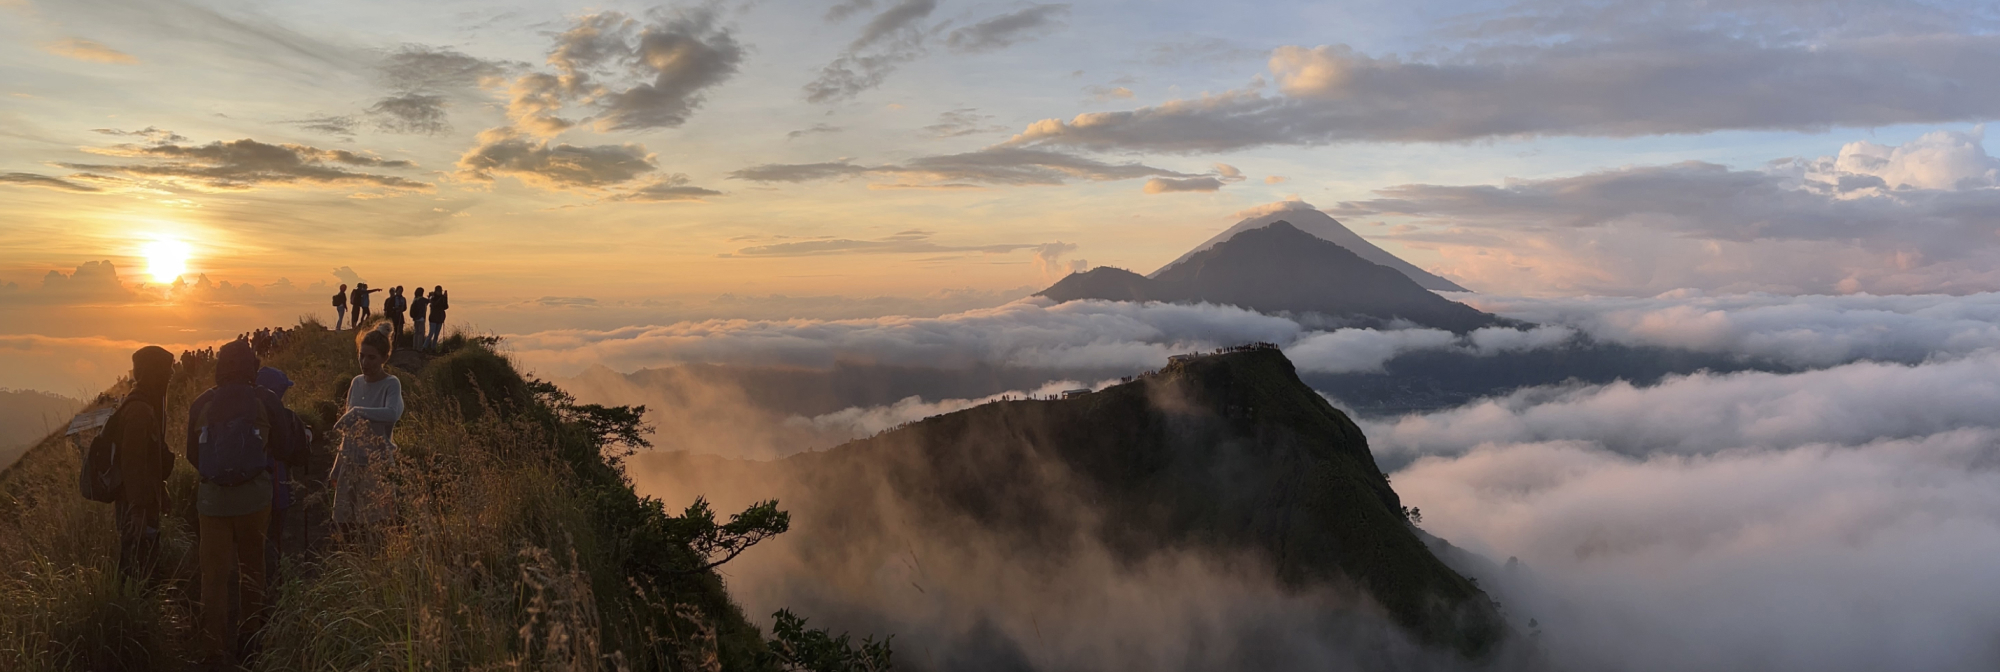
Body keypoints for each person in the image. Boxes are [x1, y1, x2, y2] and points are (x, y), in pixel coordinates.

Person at [185, 339, 305, 665]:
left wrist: (219, 478)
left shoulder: (201, 403)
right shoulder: (265, 399)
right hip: (255, 499)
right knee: (253, 568)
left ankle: (213, 650)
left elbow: (192, 455)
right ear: (252, 365)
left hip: (212, 504)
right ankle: (250, 641)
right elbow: (283, 447)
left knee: (214, 576)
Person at [330, 327, 403, 540]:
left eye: (372, 357)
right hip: (351, 461)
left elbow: (392, 414)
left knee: (378, 526)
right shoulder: (356, 382)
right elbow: (348, 430)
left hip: (376, 464)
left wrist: (359, 412)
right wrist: (337, 466)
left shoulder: (391, 384)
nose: (365, 362)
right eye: (362, 356)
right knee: (345, 524)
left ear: (384, 358)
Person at [112, 346, 177, 580]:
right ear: (153, 373)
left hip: (142, 500)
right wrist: (138, 511)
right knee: (136, 569)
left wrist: (161, 487)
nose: (170, 378)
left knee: (143, 563)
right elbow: (133, 463)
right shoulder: (139, 411)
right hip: (136, 505)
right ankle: (130, 612)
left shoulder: (145, 406)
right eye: (167, 373)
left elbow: (148, 458)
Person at [255, 366, 311, 586]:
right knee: (273, 538)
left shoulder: (247, 415)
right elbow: (300, 458)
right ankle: (273, 583)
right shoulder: (288, 418)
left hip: (250, 492)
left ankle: (253, 583)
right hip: (279, 492)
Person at [424, 285, 448, 351]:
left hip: (439, 318)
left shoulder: (442, 298)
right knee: (431, 333)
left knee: (436, 334)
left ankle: (433, 348)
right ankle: (425, 347)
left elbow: (445, 306)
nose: (440, 292)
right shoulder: (433, 298)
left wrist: (446, 298)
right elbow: (435, 305)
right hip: (434, 318)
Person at [408, 287, 430, 351]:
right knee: (421, 333)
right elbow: (429, 301)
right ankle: (419, 347)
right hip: (421, 318)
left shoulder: (415, 299)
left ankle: (414, 346)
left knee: (416, 333)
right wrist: (430, 296)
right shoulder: (422, 300)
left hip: (415, 318)